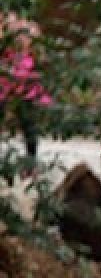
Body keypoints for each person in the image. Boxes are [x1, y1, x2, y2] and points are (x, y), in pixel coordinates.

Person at [0, 13, 50, 166]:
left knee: (29, 125)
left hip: (26, 86)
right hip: (4, 84)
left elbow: (41, 59)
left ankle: (31, 163)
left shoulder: (29, 30)